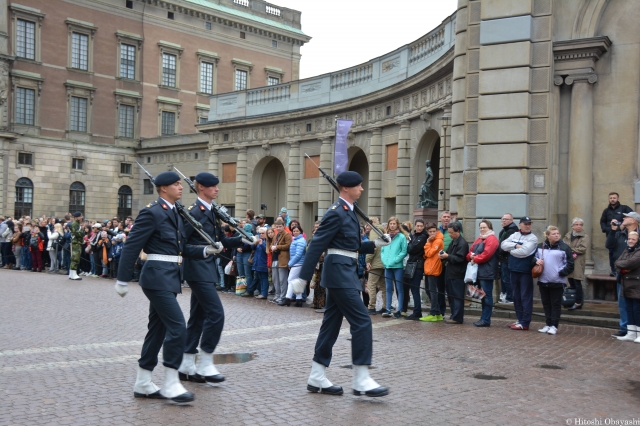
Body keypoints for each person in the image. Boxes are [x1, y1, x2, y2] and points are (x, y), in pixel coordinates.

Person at [115, 171, 216, 403]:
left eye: (181, 184)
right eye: (176, 184)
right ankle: (171, 382)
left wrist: (205, 250)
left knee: (157, 330)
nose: (181, 188)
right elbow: (132, 246)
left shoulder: (176, 213)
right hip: (156, 278)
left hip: (170, 277)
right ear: (163, 189)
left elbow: (180, 249)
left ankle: (143, 381)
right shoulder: (152, 212)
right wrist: (122, 278)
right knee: (178, 326)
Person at [290, 171, 390, 397]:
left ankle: (317, 375)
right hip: (339, 274)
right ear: (346, 188)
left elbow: (350, 245)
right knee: (362, 321)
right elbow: (316, 245)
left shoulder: (349, 212)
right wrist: (303, 278)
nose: (362, 189)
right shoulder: (337, 213)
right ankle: (361, 378)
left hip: (344, 271)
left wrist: (375, 243)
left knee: (331, 324)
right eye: (359, 186)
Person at [178, 172, 250, 386]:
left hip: (206, 269)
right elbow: (182, 246)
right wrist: (206, 250)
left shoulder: (210, 211)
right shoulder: (193, 213)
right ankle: (206, 361)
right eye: (213, 186)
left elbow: (219, 240)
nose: (217, 189)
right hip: (197, 270)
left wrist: (243, 238)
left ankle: (186, 364)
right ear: (201, 188)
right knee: (216, 314)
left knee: (198, 318)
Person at [500, 216, 538, 331]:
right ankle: (520, 319)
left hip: (525, 271)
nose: (527, 226)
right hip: (513, 269)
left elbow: (525, 252)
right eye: (525, 224)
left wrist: (511, 250)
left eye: (529, 224)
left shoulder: (533, 238)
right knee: (516, 296)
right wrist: (515, 246)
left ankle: (525, 322)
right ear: (520, 224)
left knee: (525, 296)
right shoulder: (515, 235)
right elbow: (503, 245)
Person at [606, 211, 640, 338]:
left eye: (627, 216)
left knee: (636, 305)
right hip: (622, 272)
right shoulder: (619, 233)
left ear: (634, 220)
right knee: (623, 303)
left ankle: (637, 331)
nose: (624, 218)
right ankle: (626, 328)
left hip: (636, 275)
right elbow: (609, 246)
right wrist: (613, 231)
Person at [535, 226, 574, 335]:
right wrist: (536, 261)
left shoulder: (564, 247)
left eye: (557, 233)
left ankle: (554, 326)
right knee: (546, 304)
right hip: (543, 280)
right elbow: (533, 258)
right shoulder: (540, 246)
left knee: (555, 304)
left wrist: (561, 273)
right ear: (547, 236)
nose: (556, 235)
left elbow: (570, 264)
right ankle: (548, 324)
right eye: (553, 234)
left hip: (557, 282)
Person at [466, 220, 499, 327]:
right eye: (480, 227)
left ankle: (486, 319)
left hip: (487, 271)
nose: (482, 229)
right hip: (479, 272)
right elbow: (470, 251)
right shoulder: (479, 239)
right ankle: (483, 318)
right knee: (482, 296)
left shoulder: (492, 239)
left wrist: (474, 258)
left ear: (489, 228)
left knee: (487, 296)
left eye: (484, 227)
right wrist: (471, 257)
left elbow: (486, 254)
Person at [439, 221, 468, 324]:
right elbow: (449, 253)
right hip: (451, 272)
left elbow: (460, 258)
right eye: (449, 232)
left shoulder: (462, 243)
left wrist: (447, 256)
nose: (450, 235)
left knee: (457, 296)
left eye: (452, 233)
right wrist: (444, 255)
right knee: (451, 296)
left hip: (457, 273)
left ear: (458, 231)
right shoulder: (454, 241)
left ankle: (457, 317)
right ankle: (453, 315)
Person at [614, 231, 640, 342]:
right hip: (626, 284)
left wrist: (623, 266)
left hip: (636, 284)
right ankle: (631, 333)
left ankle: (639, 333)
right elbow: (617, 262)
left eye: (633, 239)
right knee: (628, 309)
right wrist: (623, 268)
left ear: (638, 240)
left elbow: (631, 263)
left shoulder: (638, 251)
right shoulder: (627, 250)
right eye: (629, 239)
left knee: (637, 309)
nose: (630, 241)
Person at [380, 217, 408, 319]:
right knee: (388, 288)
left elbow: (404, 251)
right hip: (387, 266)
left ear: (397, 225)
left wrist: (396, 260)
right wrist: (384, 260)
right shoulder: (385, 236)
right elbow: (382, 250)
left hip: (397, 266)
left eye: (394, 224)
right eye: (390, 223)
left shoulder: (401, 237)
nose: (392, 225)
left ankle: (399, 309)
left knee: (399, 288)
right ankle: (388, 309)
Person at [600, 192, 633, 276]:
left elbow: (632, 218)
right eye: (611, 198)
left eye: (614, 198)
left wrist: (621, 226)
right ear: (609, 199)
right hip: (611, 235)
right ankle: (613, 270)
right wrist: (607, 229)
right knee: (611, 252)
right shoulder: (606, 211)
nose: (612, 199)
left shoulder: (624, 208)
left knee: (622, 252)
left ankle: (622, 269)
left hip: (622, 235)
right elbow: (602, 222)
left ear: (618, 199)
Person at [403, 219, 428, 320]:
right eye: (418, 226)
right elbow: (408, 248)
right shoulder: (414, 236)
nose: (419, 228)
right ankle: (416, 311)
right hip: (411, 263)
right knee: (413, 289)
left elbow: (412, 249)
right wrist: (410, 246)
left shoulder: (423, 237)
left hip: (417, 265)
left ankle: (417, 312)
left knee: (415, 289)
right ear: (414, 226)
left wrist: (410, 246)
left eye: (421, 226)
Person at [563, 218, 589, 311]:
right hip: (569, 260)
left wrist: (570, 250)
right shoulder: (568, 235)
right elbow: (563, 245)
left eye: (580, 224)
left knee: (577, 281)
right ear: (572, 226)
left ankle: (578, 302)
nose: (579, 226)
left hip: (578, 261)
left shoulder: (584, 236)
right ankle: (571, 300)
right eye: (577, 224)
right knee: (571, 280)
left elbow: (583, 248)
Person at [421, 222, 444, 322]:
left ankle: (433, 313)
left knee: (433, 291)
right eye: (430, 232)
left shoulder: (437, 241)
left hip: (433, 267)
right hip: (429, 267)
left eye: (434, 231)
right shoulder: (432, 240)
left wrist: (428, 242)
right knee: (429, 290)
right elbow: (426, 255)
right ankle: (438, 312)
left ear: (437, 231)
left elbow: (429, 253)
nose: (432, 233)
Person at [365, 224, 386, 315]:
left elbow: (371, 249)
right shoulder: (383, 235)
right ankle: (385, 306)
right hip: (383, 263)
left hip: (375, 264)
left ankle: (371, 306)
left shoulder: (374, 233)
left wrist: (367, 261)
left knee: (371, 285)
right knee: (383, 286)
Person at [283, 223, 306, 306]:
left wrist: (290, 263)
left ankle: (287, 298)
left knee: (290, 280)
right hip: (297, 263)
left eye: (297, 231)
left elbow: (298, 254)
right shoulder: (297, 240)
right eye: (294, 231)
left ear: (300, 232)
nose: (295, 232)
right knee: (297, 281)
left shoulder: (300, 241)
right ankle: (299, 300)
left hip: (298, 263)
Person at [498, 213, 518, 304]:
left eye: (506, 219)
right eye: (503, 219)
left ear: (511, 220)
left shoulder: (512, 231)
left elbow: (506, 246)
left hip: (507, 259)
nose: (504, 221)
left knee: (507, 279)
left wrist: (499, 252)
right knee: (503, 278)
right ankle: (505, 294)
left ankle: (510, 297)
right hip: (502, 259)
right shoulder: (503, 231)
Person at [272, 219, 292, 305]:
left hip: (283, 259)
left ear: (283, 226)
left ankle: (283, 296)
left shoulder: (287, 235)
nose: (278, 228)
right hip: (275, 258)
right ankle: (277, 295)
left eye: (280, 226)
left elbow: (288, 245)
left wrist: (277, 247)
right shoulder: (277, 235)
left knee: (282, 280)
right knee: (275, 279)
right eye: (277, 227)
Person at [246, 227, 269, 299]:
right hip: (257, 262)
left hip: (263, 263)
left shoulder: (267, 241)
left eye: (263, 233)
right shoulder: (259, 240)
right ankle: (261, 292)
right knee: (260, 278)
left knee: (264, 278)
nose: (261, 235)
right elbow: (253, 248)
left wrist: (262, 244)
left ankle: (264, 293)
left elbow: (267, 251)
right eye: (260, 233)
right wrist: (254, 244)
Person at [68, 212, 84, 281]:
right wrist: (82, 233)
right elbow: (77, 233)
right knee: (75, 258)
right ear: (77, 217)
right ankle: (73, 274)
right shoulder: (75, 224)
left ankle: (72, 274)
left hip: (76, 242)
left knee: (74, 258)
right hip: (76, 242)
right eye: (80, 216)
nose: (81, 217)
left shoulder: (76, 224)